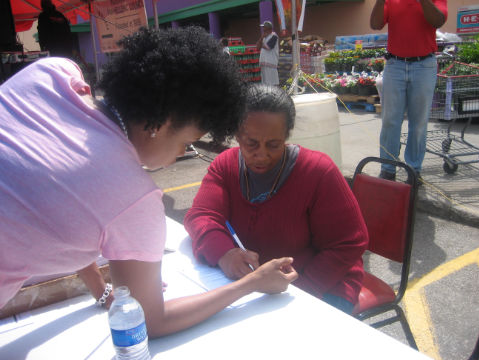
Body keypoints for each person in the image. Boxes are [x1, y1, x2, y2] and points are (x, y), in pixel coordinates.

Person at [0, 26, 298, 337]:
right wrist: (252, 283)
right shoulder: (133, 198)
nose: (180, 154)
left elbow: (52, 188)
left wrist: (100, 288)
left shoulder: (53, 74)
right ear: (162, 123)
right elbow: (151, 321)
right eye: (186, 142)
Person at [184, 84, 368, 314]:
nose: (261, 155)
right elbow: (201, 215)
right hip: (256, 286)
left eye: (273, 144)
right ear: (237, 134)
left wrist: (298, 289)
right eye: (251, 143)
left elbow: (349, 243)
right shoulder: (225, 165)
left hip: (323, 284)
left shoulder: (318, 171)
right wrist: (225, 254)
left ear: (286, 136)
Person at [370, 0, 447, 181]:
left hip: (424, 65)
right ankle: (388, 168)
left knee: (419, 123)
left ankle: (414, 169)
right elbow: (375, 24)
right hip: (395, 64)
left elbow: (438, 21)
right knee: (390, 120)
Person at [256, 21, 279, 86]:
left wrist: (260, 44)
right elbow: (257, 47)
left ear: (268, 28)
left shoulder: (274, 36)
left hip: (270, 62)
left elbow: (268, 47)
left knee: (271, 81)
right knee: (265, 82)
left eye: (264, 27)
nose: (263, 29)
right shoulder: (264, 37)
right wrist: (261, 38)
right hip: (264, 62)